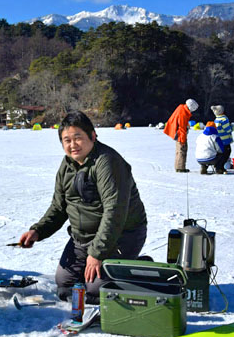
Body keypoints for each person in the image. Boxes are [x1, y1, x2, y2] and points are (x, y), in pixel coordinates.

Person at [18, 111, 147, 305]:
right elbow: (59, 206)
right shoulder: (67, 165)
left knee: (95, 291)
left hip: (121, 236)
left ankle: (140, 268)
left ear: (92, 136)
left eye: (78, 138)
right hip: (82, 238)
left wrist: (97, 254)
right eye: (67, 140)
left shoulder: (107, 162)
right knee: (65, 285)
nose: (72, 145)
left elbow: (115, 211)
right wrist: (38, 231)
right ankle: (106, 269)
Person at [164, 99, 199, 173]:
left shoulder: (181, 108)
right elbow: (182, 127)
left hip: (175, 131)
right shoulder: (183, 113)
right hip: (179, 133)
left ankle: (178, 166)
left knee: (178, 150)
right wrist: (183, 139)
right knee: (182, 149)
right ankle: (180, 168)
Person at [211, 105, 234, 174]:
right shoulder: (224, 119)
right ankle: (219, 167)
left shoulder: (216, 119)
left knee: (220, 154)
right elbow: (228, 129)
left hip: (219, 140)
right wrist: (233, 127)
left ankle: (218, 166)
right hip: (225, 140)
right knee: (226, 153)